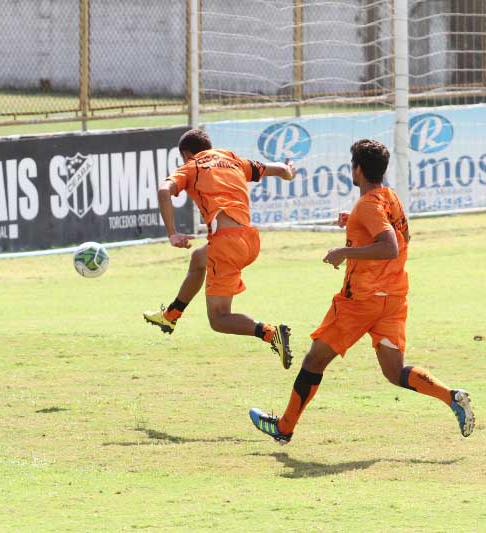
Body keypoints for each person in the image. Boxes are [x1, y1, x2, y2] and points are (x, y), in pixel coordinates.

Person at [249, 139, 475, 443]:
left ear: (357, 169)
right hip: (392, 299)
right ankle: (451, 396)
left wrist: (345, 251)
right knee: (395, 372)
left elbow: (389, 246)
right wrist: (354, 224)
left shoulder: (368, 205)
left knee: (314, 361)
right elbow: (398, 235)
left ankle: (284, 428)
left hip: (361, 302)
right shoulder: (389, 198)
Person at [150, 129, 297, 368]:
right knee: (199, 259)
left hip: (227, 244)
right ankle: (171, 316)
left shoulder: (192, 166)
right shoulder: (231, 158)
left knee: (218, 319)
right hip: (249, 240)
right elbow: (281, 170)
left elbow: (163, 190)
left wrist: (172, 233)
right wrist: (290, 171)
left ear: (187, 154)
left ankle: (271, 333)